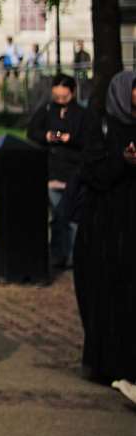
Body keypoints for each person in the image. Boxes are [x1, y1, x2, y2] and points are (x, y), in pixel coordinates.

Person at [72, 70, 136, 406]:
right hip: (103, 227)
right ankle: (104, 363)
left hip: (130, 227)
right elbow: (93, 173)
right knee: (103, 293)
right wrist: (123, 162)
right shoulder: (100, 125)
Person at [26, 73, 89, 269]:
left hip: (73, 170)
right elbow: (32, 132)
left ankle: (74, 255)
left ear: (73, 93)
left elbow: (86, 138)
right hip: (53, 169)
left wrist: (68, 138)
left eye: (64, 97)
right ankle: (57, 254)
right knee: (57, 215)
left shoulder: (81, 113)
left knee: (72, 218)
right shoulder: (47, 110)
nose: (60, 101)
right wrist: (47, 135)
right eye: (57, 97)